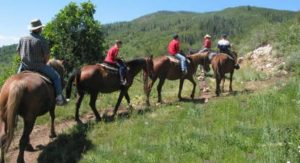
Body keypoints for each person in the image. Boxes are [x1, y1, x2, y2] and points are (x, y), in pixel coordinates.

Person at [17, 19, 66, 106]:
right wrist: (43, 62)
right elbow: (47, 57)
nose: (41, 29)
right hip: (39, 66)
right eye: (40, 28)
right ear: (38, 29)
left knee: (15, 80)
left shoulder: (22, 39)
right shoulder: (41, 40)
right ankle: (59, 98)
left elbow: (18, 52)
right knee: (56, 77)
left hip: (24, 66)